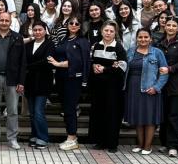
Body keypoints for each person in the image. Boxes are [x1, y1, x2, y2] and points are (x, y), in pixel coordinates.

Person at [0, 11, 27, 150]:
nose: (4, 23)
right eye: (1, 20)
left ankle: (12, 139)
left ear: (10, 22)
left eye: (6, 20)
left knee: (13, 110)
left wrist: (21, 82)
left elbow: (23, 62)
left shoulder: (17, 38)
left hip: (12, 78)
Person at [48, 17, 90, 151]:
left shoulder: (82, 41)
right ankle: (70, 136)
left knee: (71, 108)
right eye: (71, 23)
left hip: (73, 79)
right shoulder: (64, 39)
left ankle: (72, 138)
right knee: (65, 109)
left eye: (77, 23)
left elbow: (78, 62)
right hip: (61, 78)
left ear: (80, 26)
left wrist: (57, 64)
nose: (73, 25)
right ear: (67, 25)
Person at [125, 29, 168, 155]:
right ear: (136, 38)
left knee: (149, 118)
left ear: (150, 39)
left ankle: (147, 146)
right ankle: (140, 144)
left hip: (150, 89)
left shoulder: (157, 52)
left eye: (145, 37)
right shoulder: (130, 51)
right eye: (140, 37)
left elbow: (164, 73)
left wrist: (156, 87)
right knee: (138, 117)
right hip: (133, 88)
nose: (143, 39)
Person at [88, 21, 127, 152]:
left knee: (112, 114)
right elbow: (91, 61)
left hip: (113, 88)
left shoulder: (118, 47)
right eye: (106, 30)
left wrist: (105, 69)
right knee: (98, 113)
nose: (108, 33)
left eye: (111, 31)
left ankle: (112, 144)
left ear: (115, 33)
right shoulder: (95, 46)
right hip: (98, 87)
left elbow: (122, 67)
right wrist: (94, 66)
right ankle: (100, 142)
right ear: (101, 31)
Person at [157, 17, 178, 157]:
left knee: (174, 116)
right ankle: (164, 143)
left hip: (177, 84)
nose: (170, 27)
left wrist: (170, 69)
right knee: (163, 116)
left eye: (173, 25)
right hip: (161, 84)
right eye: (168, 25)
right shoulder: (159, 42)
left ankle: (174, 146)